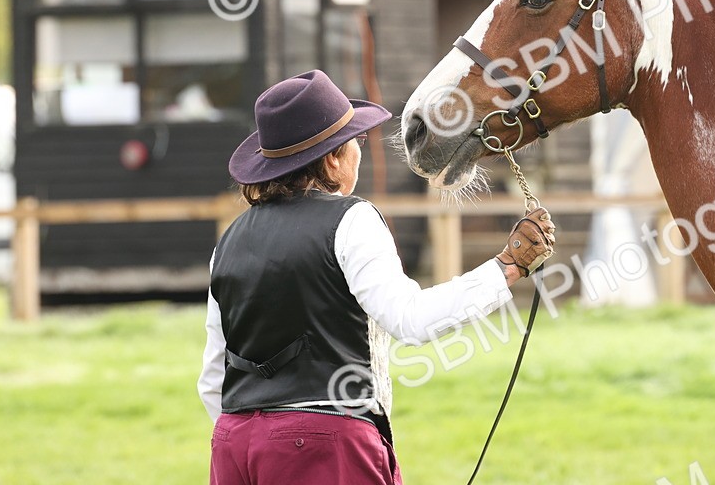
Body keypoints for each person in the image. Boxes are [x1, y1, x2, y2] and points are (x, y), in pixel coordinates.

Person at [198, 70, 555, 485]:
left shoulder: (228, 241)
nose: (359, 151)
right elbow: (411, 319)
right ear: (333, 157)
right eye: (357, 141)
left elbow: (213, 379)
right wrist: (506, 268)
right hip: (327, 442)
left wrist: (256, 436)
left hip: (233, 442)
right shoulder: (352, 219)